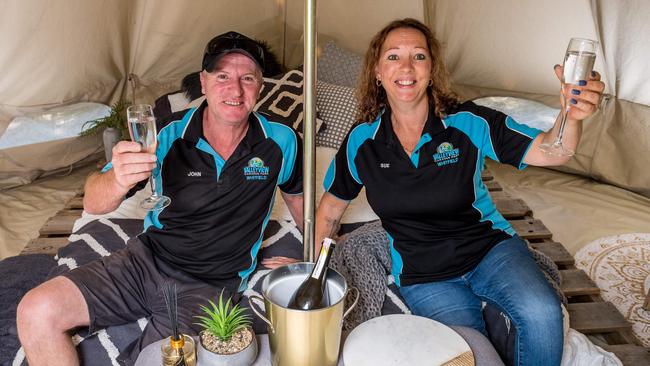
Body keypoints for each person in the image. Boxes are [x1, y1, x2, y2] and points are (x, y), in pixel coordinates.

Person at [315, 18, 604, 365]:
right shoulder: (362, 142)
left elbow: (551, 151)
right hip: (424, 273)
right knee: (466, 354)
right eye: (393, 57)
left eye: (419, 56)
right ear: (377, 71)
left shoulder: (468, 122)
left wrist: (571, 117)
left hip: (490, 250)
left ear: (432, 69)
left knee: (542, 312)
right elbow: (330, 211)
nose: (406, 67)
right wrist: (310, 271)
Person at [17, 31, 304, 366]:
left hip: (207, 285)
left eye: (247, 78)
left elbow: (298, 200)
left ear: (260, 86)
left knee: (159, 360)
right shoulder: (168, 133)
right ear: (204, 81)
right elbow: (95, 203)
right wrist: (117, 178)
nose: (235, 89)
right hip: (144, 261)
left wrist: (309, 259)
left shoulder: (281, 141)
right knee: (36, 311)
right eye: (223, 76)